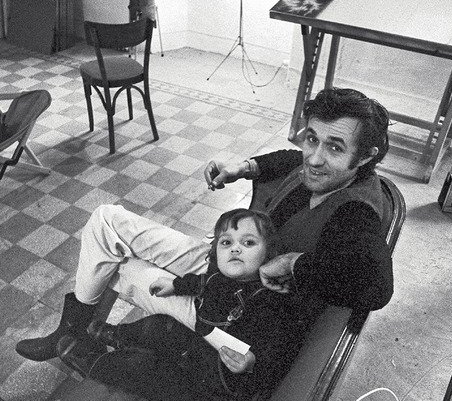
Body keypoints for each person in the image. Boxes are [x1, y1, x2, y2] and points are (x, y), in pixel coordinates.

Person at [16, 86, 394, 368]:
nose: (313, 157)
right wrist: (243, 168)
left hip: (232, 306)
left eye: (334, 147)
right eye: (312, 138)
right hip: (226, 256)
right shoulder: (321, 167)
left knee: (114, 266)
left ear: (366, 156)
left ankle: (73, 335)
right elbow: (289, 159)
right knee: (104, 220)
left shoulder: (355, 213)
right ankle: (73, 331)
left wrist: (292, 263)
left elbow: (377, 285)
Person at [56, 209, 304, 401]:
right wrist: (176, 286)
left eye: (248, 243)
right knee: (160, 325)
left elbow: (278, 347)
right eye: (226, 243)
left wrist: (252, 362)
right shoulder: (220, 277)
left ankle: (96, 364)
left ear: (269, 255)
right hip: (196, 350)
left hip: (209, 394)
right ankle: (119, 335)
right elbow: (201, 282)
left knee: (143, 370)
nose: (235, 248)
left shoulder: (267, 301)